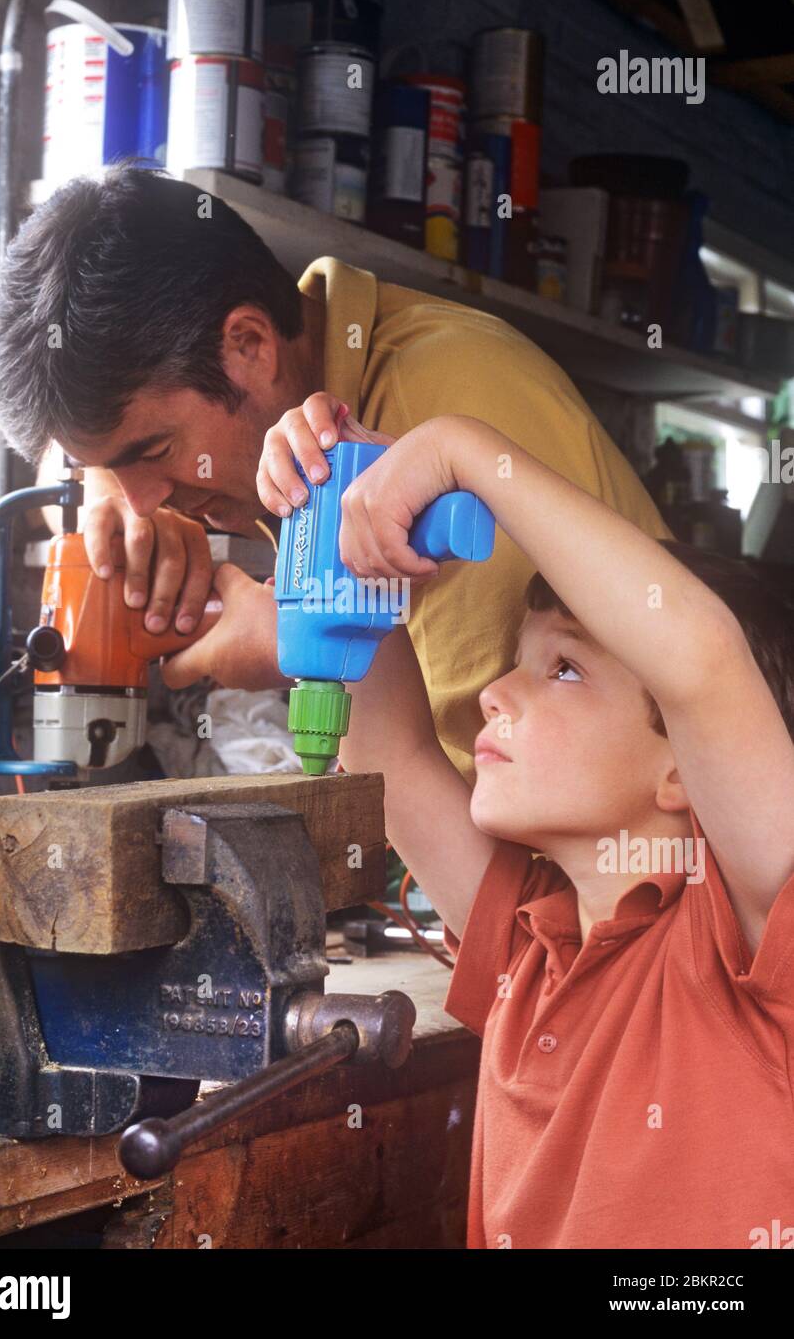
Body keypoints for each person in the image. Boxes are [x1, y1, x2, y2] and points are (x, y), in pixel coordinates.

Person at [256, 408, 794, 1250]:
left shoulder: (750, 949)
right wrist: (348, 525)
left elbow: (701, 661)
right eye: (521, 658)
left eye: (565, 668)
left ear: (683, 764)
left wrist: (462, 450)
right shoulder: (527, 944)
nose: (494, 694)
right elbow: (389, 746)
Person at [0, 165, 666, 778]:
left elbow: (513, 819)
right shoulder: (301, 385)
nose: (150, 499)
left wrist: (304, 641)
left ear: (247, 345)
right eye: (103, 463)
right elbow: (78, 454)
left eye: (152, 452)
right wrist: (111, 495)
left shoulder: (442, 405)